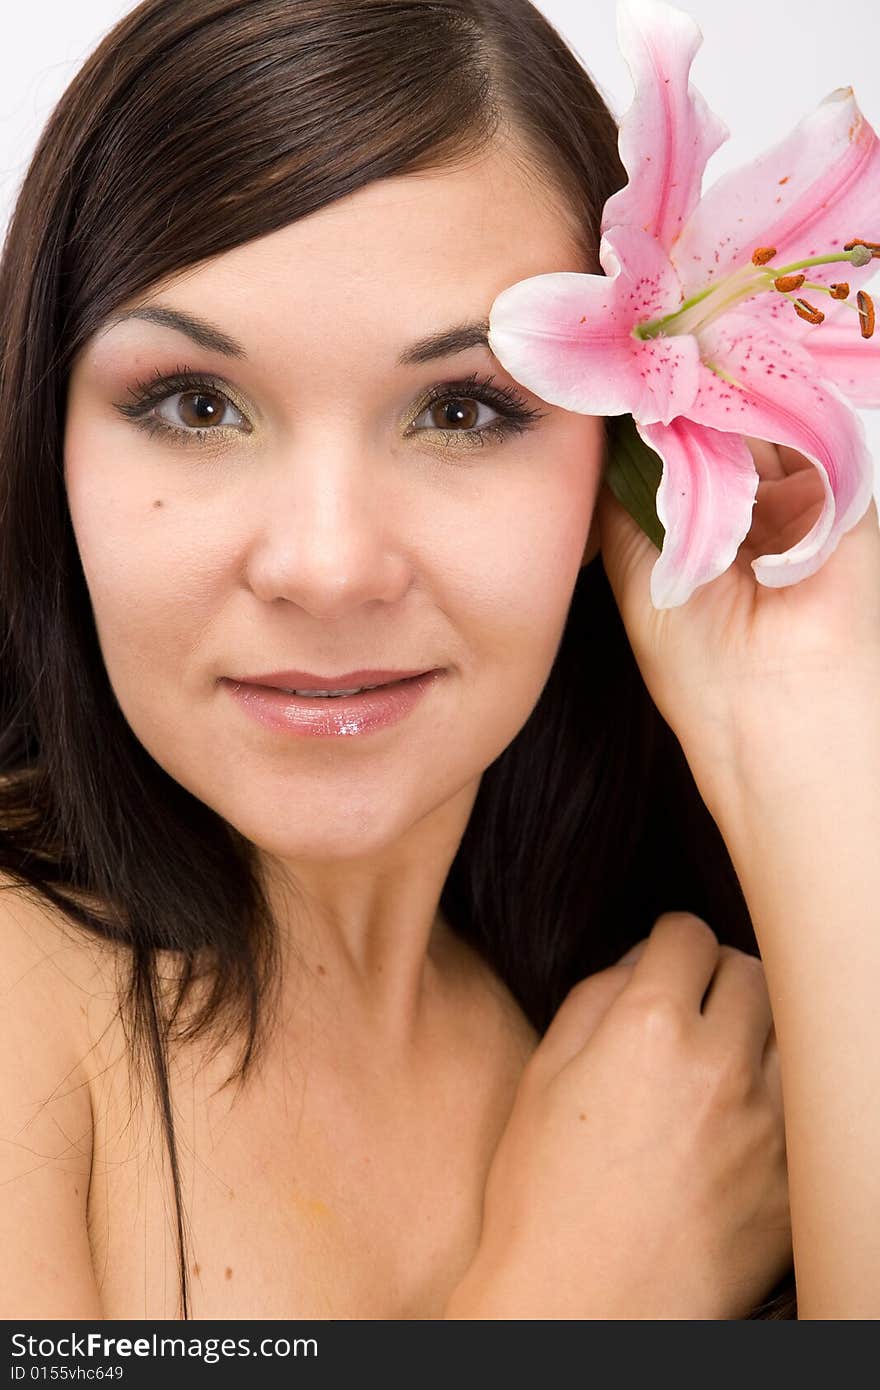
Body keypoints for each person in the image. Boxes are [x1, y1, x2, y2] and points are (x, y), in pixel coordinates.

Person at [2, 0, 875, 1322]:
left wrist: (799, 731)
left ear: (608, 464)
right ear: (47, 444)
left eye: (463, 409)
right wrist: (578, 1292)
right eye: (195, 404)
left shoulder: (680, 1043)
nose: (329, 563)